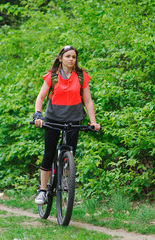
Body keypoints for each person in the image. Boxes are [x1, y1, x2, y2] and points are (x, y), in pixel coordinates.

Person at [33, 45, 101, 204]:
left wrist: (93, 121)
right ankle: (42, 190)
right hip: (52, 119)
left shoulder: (82, 76)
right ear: (61, 58)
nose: (71, 59)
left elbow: (88, 100)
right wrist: (38, 114)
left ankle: (65, 183)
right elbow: (40, 97)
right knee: (49, 152)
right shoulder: (53, 76)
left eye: (74, 57)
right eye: (68, 56)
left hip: (73, 119)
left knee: (70, 152)